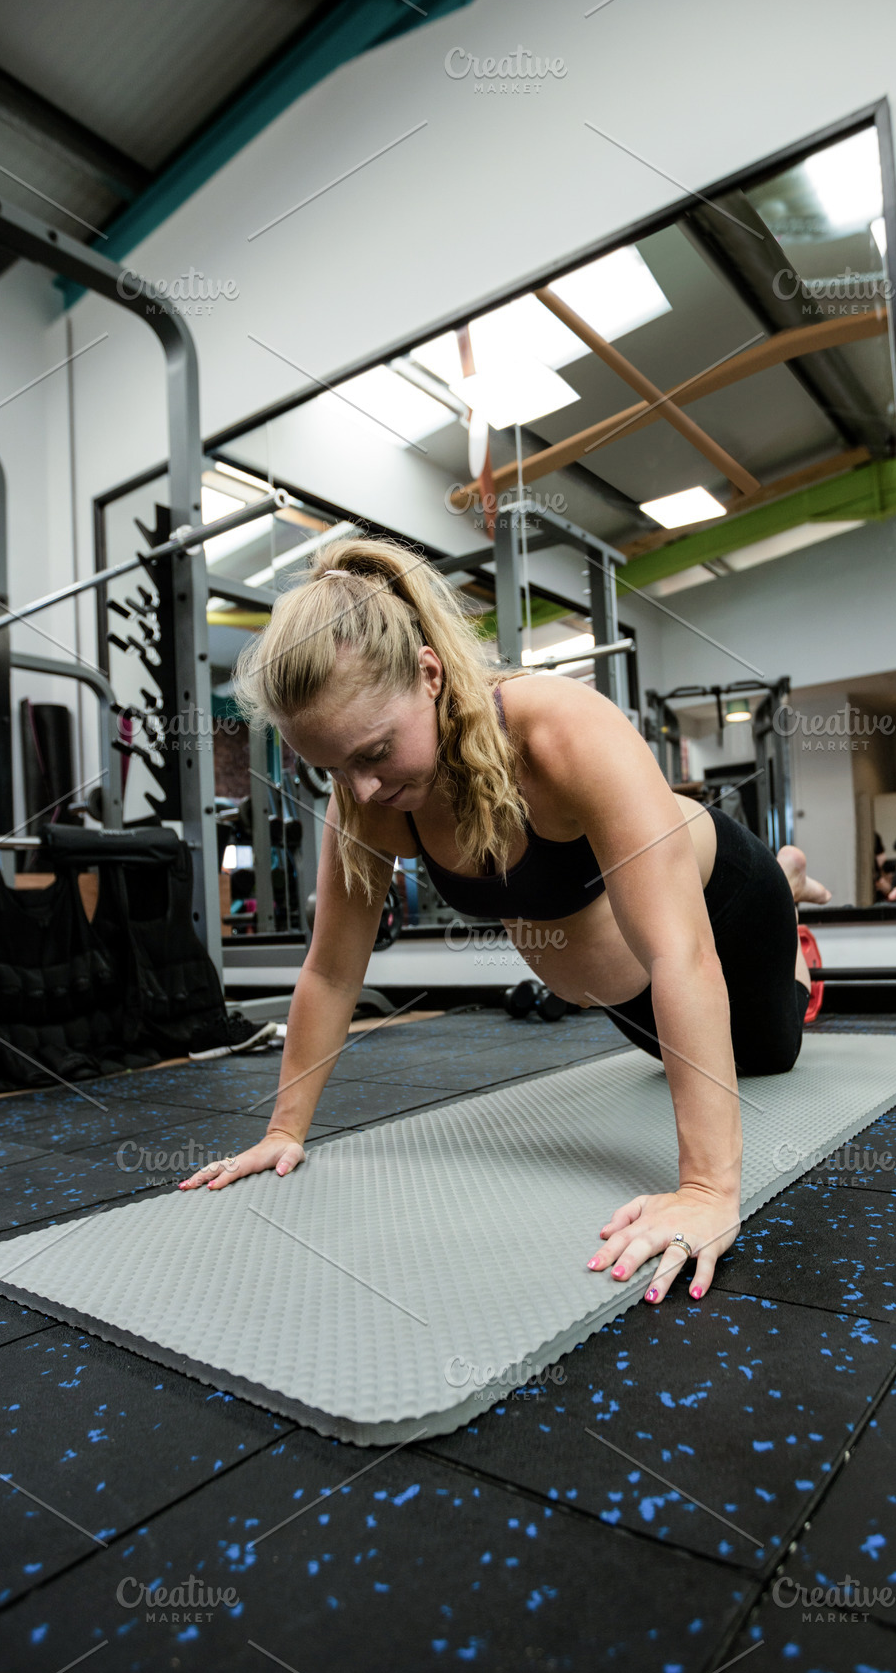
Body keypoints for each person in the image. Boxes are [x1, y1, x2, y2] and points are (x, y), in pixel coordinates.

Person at [181, 536, 829, 1307]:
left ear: (430, 674)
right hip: (620, 987)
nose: (360, 785)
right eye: (332, 768)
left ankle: (787, 888)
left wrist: (706, 1190)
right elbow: (330, 970)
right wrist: (283, 1130)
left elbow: (682, 954)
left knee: (771, 1054)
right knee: (669, 1061)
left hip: (723, 899)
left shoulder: (560, 732)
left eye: (376, 751)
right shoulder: (368, 800)